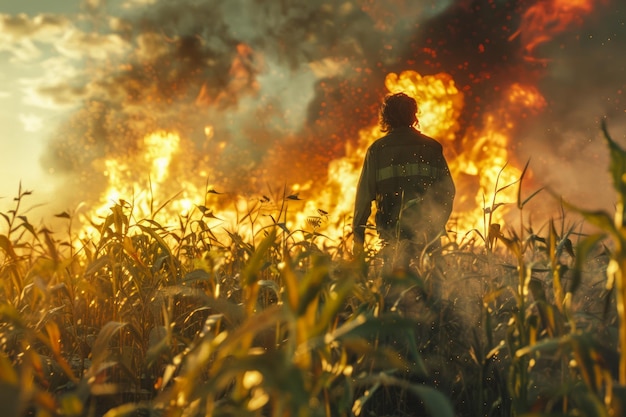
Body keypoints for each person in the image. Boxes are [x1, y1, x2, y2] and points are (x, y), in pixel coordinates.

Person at [352, 92, 455, 267]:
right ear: (413, 115)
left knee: (394, 289)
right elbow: (447, 192)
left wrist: (358, 245)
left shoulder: (377, 150)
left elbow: (363, 201)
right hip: (428, 240)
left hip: (393, 239)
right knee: (431, 289)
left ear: (386, 118)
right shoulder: (431, 148)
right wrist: (435, 225)